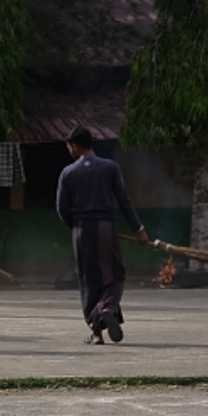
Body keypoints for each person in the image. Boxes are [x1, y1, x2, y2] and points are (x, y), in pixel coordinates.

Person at [54, 130, 150, 345]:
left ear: (75, 146)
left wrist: (77, 225)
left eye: (69, 146)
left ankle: (97, 334)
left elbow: (61, 208)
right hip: (105, 227)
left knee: (89, 280)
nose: (69, 150)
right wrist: (139, 229)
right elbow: (123, 201)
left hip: (80, 230)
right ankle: (106, 309)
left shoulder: (68, 172)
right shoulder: (110, 168)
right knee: (115, 275)